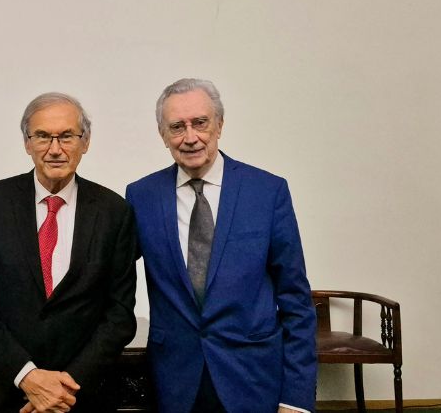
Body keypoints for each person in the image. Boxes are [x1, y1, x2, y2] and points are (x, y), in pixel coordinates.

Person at [125, 79, 317, 413]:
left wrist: (296, 399)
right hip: (174, 382)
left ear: (220, 125)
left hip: (253, 379)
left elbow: (296, 300)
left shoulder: (267, 192)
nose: (190, 137)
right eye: (177, 127)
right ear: (163, 135)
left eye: (200, 123)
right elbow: (110, 278)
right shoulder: (141, 196)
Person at [0, 93, 137, 413]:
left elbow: (119, 314)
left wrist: (63, 387)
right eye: (42, 136)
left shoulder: (114, 212)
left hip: (79, 397)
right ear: (27, 143)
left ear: (85, 142)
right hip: (2, 393)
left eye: (67, 136)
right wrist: (28, 376)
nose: (55, 149)